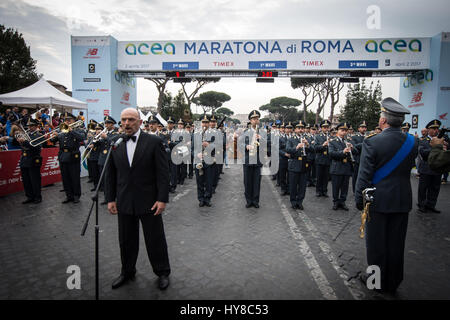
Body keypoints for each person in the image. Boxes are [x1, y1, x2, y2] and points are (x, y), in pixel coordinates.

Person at [356, 97, 419, 294]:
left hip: (378, 200)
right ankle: (392, 281)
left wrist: (360, 200)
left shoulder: (373, 142)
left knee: (376, 245)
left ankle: (375, 282)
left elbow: (364, 176)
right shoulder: (413, 141)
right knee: (396, 243)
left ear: (383, 120)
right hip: (402, 199)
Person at [105, 107, 171, 291]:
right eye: (123, 119)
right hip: (124, 201)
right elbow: (110, 174)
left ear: (140, 122)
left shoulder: (154, 141)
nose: (126, 123)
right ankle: (127, 271)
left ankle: (162, 272)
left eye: (131, 119)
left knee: (155, 239)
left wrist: (162, 199)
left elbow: (163, 174)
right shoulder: (114, 142)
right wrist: (110, 198)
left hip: (150, 201)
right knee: (126, 240)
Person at [50, 112, 86, 203]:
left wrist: (71, 130)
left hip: (73, 156)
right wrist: (53, 136)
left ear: (74, 120)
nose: (67, 122)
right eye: (66, 120)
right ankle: (68, 195)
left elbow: (82, 138)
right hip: (63, 156)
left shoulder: (78, 129)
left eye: (69, 120)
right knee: (65, 177)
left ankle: (76, 195)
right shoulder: (61, 130)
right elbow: (53, 141)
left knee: (74, 177)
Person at [328, 122, 358, 210]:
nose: (344, 132)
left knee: (345, 187)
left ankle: (342, 201)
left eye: (345, 130)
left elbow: (356, 152)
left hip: (346, 167)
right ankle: (336, 202)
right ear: (337, 131)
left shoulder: (348, 141)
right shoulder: (333, 141)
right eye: (342, 130)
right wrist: (342, 152)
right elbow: (331, 153)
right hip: (337, 167)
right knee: (336, 186)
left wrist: (352, 147)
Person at [417, 119, 443, 213]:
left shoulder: (442, 140)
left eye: (437, 129)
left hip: (437, 168)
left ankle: (431, 205)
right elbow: (423, 153)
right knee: (423, 188)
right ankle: (422, 204)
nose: (436, 130)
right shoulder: (423, 141)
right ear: (428, 130)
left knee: (435, 188)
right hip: (426, 168)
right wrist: (434, 146)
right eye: (434, 129)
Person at [286, 121, 313, 210]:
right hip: (294, 164)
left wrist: (307, 144)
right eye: (299, 128)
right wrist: (296, 147)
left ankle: (300, 202)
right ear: (295, 129)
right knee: (293, 185)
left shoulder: (307, 138)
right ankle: (293, 201)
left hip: (304, 165)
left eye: (302, 128)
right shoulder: (291, 139)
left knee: (302, 185)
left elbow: (313, 150)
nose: (301, 130)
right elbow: (288, 149)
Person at [16, 118, 43, 204]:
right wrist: (18, 139)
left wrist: (25, 141)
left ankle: (37, 196)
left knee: (34, 180)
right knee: (26, 180)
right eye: (29, 126)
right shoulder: (26, 134)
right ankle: (29, 196)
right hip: (24, 159)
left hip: (33, 159)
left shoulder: (38, 135)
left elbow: (36, 147)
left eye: (31, 126)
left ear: (35, 126)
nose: (29, 127)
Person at [242, 110, 265, 208]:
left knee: (256, 182)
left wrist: (262, 139)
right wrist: (246, 146)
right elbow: (240, 144)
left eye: (257, 119)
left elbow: (267, 145)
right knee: (247, 182)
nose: (256, 120)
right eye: (254, 119)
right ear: (250, 120)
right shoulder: (246, 132)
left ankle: (255, 201)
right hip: (247, 160)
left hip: (258, 160)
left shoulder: (262, 132)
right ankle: (248, 200)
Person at [194, 115, 215, 207]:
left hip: (209, 161)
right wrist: (196, 154)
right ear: (201, 123)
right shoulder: (195, 134)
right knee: (199, 181)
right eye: (203, 122)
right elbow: (191, 149)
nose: (205, 124)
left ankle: (207, 198)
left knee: (209, 182)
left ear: (209, 123)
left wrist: (209, 145)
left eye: (207, 122)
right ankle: (201, 199)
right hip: (199, 161)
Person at [314, 120, 332, 197]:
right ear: (321, 128)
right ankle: (318, 190)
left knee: (326, 176)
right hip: (320, 159)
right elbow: (315, 148)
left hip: (328, 159)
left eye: (327, 127)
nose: (326, 129)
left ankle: (324, 190)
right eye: (324, 127)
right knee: (319, 176)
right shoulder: (318, 137)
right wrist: (323, 145)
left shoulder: (331, 136)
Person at [351, 121, 367, 193]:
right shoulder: (354, 137)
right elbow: (355, 146)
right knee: (356, 176)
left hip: (366, 159)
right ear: (358, 129)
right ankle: (355, 190)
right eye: (362, 127)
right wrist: (364, 143)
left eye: (365, 127)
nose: (364, 129)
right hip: (357, 159)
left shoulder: (367, 137)